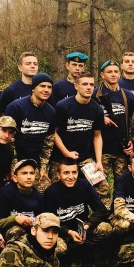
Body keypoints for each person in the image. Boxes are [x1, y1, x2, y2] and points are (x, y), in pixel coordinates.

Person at [51, 71, 110, 206]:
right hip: (61, 158)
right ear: (76, 86)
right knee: (56, 192)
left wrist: (98, 161)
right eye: (84, 84)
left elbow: (97, 136)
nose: (89, 87)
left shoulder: (96, 108)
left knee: (103, 188)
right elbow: (54, 133)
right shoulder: (63, 106)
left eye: (91, 85)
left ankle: (103, 216)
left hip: (84, 158)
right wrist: (66, 153)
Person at [42, 159, 110, 253]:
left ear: (78, 173)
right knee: (59, 248)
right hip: (62, 231)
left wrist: (88, 225)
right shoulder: (51, 192)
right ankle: (69, 255)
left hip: (83, 228)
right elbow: (48, 221)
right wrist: (68, 232)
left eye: (74, 172)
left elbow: (101, 210)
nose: (71, 177)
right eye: (66, 173)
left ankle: (89, 250)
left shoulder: (84, 185)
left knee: (105, 228)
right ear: (58, 175)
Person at [5, 73, 56, 186]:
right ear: (33, 88)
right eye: (42, 86)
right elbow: (8, 140)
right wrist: (13, 168)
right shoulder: (16, 107)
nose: (46, 90)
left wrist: (43, 168)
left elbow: (48, 144)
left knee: (45, 190)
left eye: (49, 87)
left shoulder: (51, 112)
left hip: (35, 164)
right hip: (14, 161)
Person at [94, 60, 134, 183]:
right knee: (100, 186)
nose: (113, 74)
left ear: (119, 74)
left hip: (121, 150)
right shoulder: (95, 94)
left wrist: (132, 141)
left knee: (122, 184)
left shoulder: (127, 96)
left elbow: (133, 121)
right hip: (102, 150)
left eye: (116, 72)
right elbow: (86, 116)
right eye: (109, 72)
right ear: (102, 75)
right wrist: (100, 118)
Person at [0, 159, 45, 242]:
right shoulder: (3, 193)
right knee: (17, 230)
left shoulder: (38, 196)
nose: (29, 177)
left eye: (32, 173)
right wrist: (15, 219)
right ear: (15, 178)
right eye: (24, 173)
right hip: (8, 236)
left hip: (32, 234)